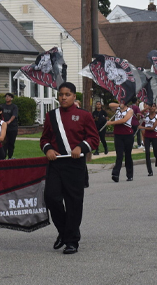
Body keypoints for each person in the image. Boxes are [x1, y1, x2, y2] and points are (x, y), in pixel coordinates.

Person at [41, 82, 99, 254]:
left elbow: (93, 139)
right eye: (61, 94)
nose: (64, 97)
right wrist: (48, 149)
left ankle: (71, 241)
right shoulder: (51, 116)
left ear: (74, 96)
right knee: (51, 197)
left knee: (74, 203)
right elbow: (44, 139)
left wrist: (81, 147)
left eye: (67, 94)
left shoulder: (84, 115)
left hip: (75, 165)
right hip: (56, 164)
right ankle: (64, 231)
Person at [107, 100, 135, 182]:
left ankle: (129, 175)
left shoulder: (130, 110)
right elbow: (110, 104)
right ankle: (115, 174)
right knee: (119, 155)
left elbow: (124, 120)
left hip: (127, 134)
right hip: (118, 134)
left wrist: (111, 123)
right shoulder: (118, 109)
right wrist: (120, 105)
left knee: (127, 155)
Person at [139, 103, 157, 176]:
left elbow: (152, 128)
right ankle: (150, 171)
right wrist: (146, 108)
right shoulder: (146, 116)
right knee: (147, 153)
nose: (152, 108)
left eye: (153, 106)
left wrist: (142, 128)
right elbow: (139, 113)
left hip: (154, 135)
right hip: (147, 136)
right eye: (151, 106)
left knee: (156, 153)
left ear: (155, 108)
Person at [2, 93, 19, 159]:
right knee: (4, 143)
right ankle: (3, 156)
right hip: (4, 128)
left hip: (12, 128)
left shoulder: (14, 107)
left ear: (11, 98)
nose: (7, 98)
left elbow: (14, 115)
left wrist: (9, 121)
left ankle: (10, 156)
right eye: (6, 97)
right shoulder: (3, 106)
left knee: (11, 143)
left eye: (8, 97)